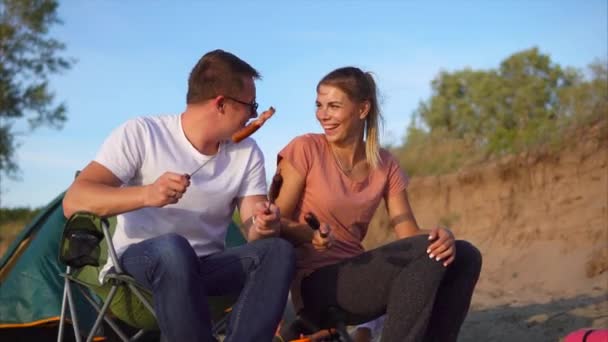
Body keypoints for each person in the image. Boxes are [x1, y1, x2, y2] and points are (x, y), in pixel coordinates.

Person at [63, 49, 295, 342]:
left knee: (278, 251)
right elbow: (74, 201)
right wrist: (148, 194)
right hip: (142, 263)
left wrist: (265, 225)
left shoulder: (247, 153)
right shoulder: (142, 133)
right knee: (174, 249)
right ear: (221, 103)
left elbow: (253, 232)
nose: (252, 115)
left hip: (208, 268)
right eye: (251, 105)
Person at [274, 66, 482, 342]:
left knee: (464, 254)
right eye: (319, 105)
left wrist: (444, 236)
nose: (323, 115)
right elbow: (275, 222)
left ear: (363, 109)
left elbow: (408, 232)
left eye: (333, 106)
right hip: (316, 284)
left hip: (359, 279)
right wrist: (309, 235)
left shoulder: (385, 164)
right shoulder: (305, 148)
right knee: (427, 253)